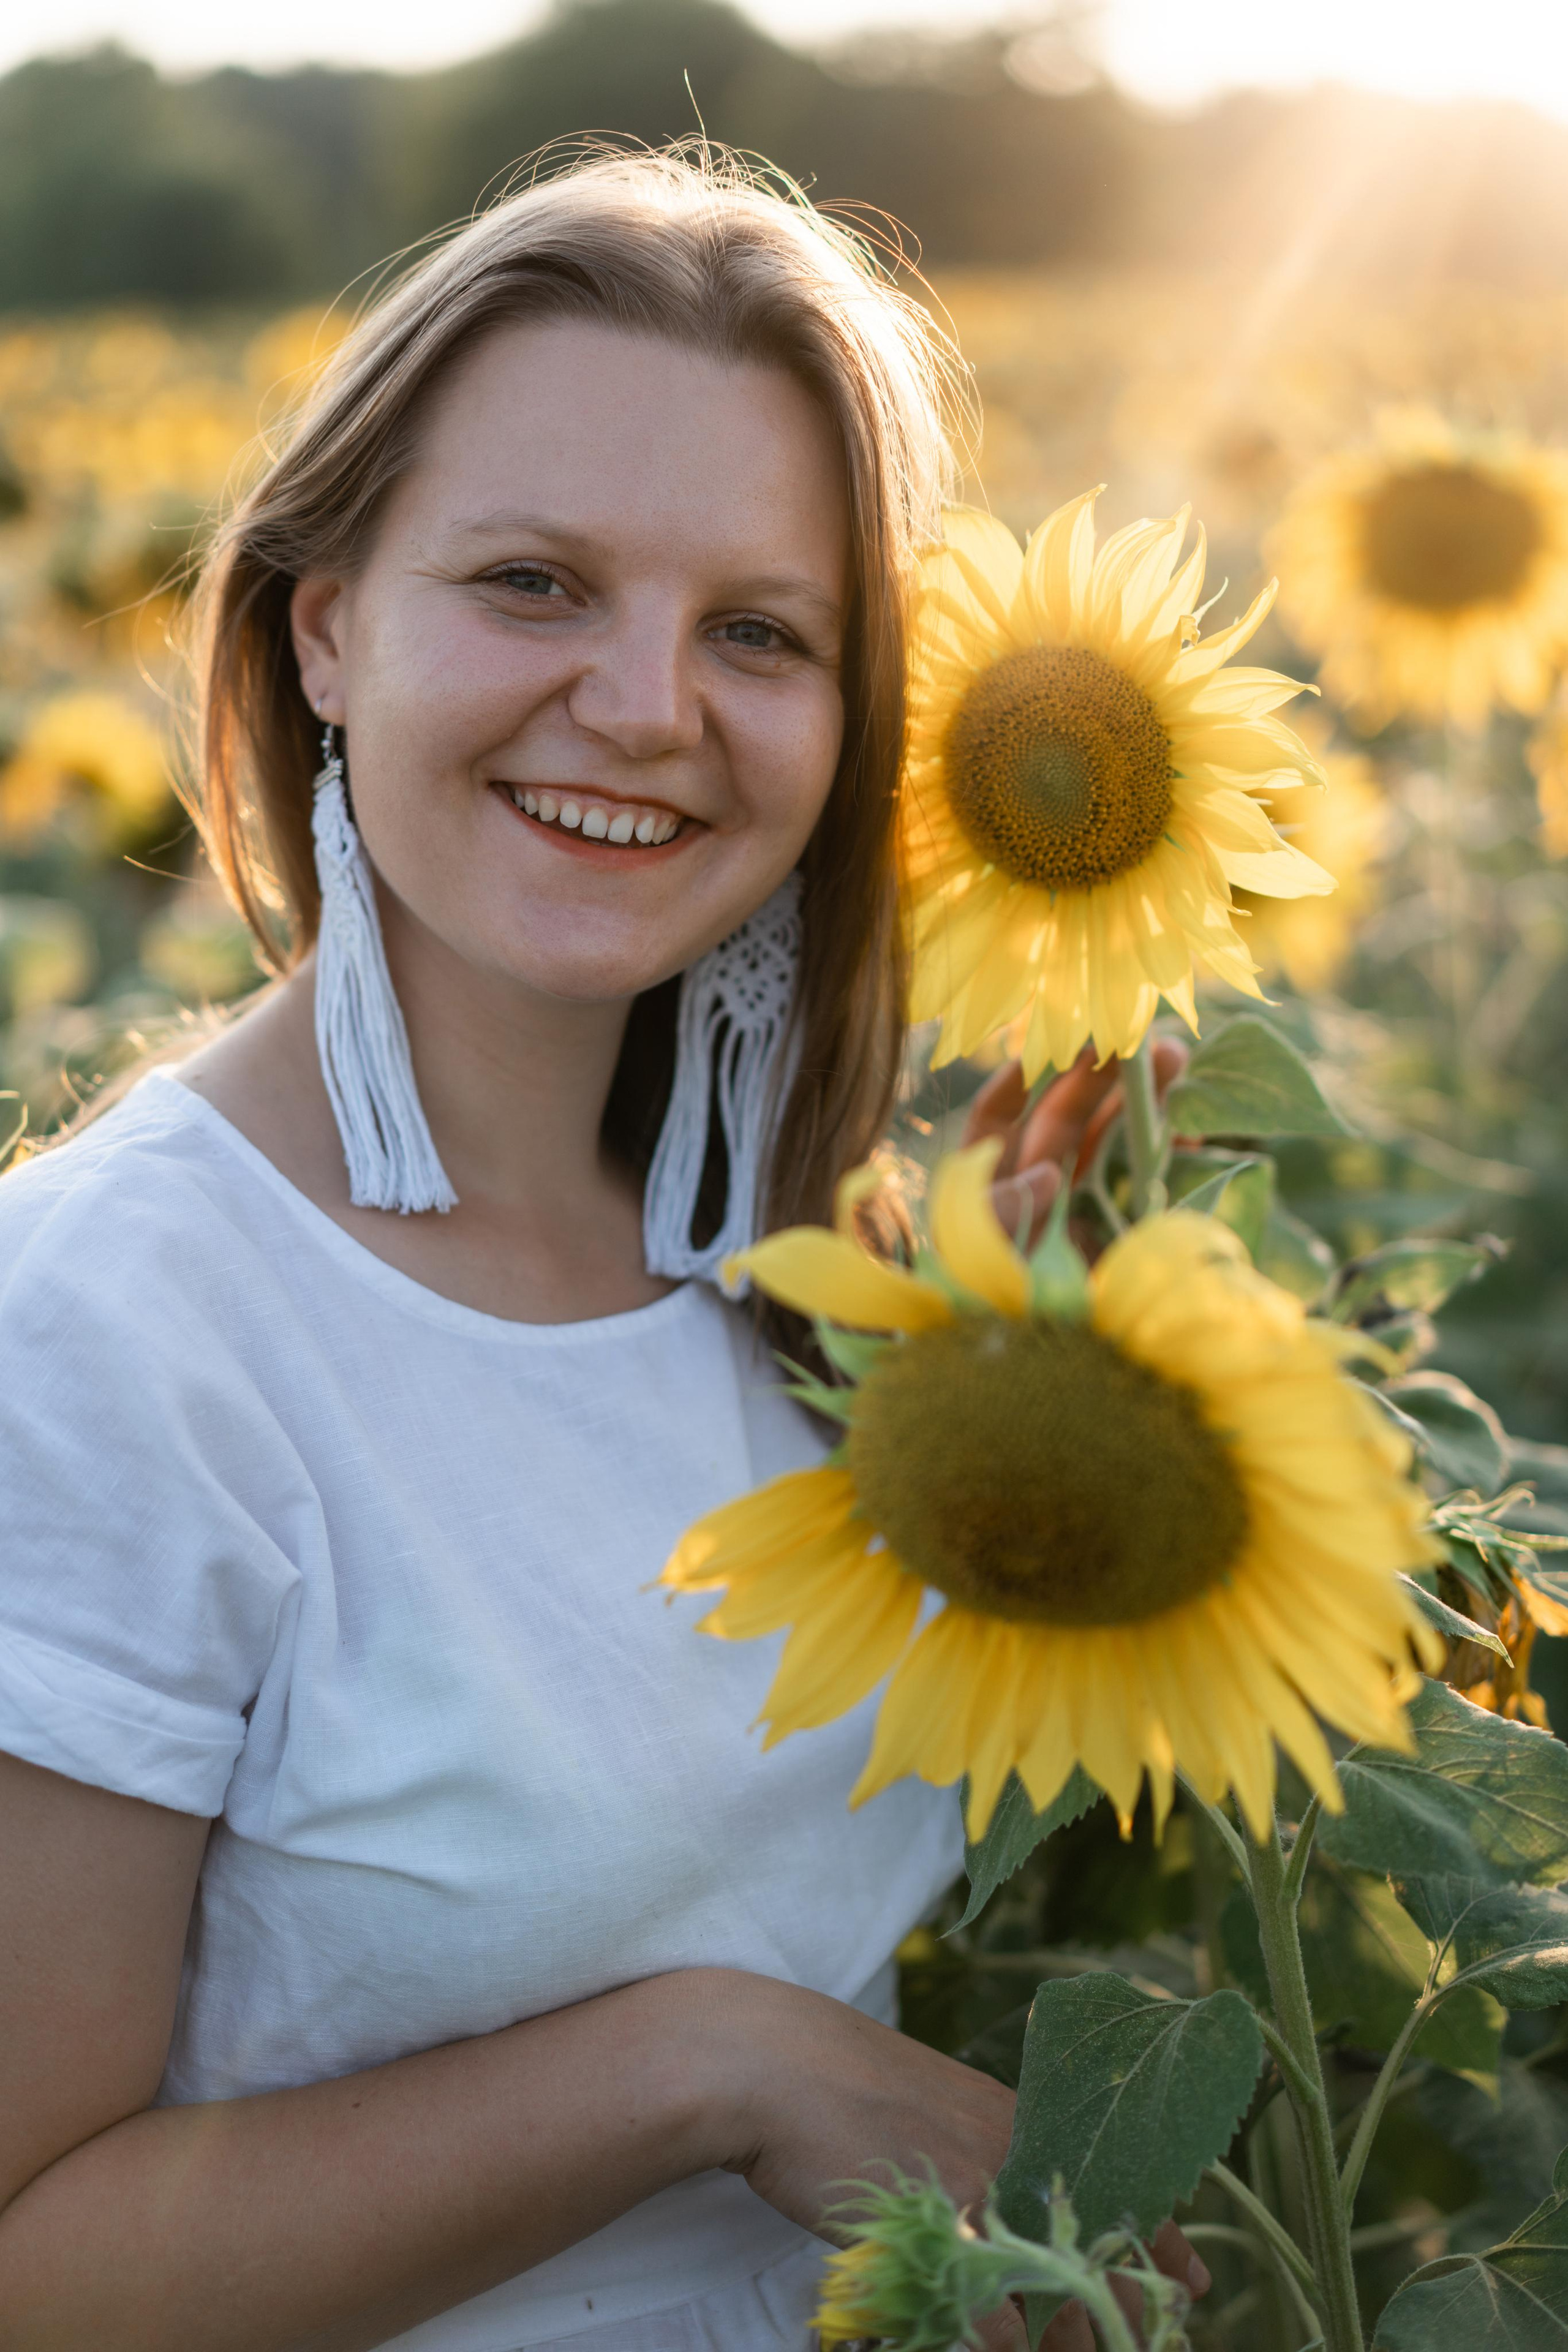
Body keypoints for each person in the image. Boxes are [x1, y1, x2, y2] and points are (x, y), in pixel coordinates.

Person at [0, 151, 1204, 2351]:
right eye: (537, 582)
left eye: (761, 630)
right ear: (327, 624)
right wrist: (711, 2070)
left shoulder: (802, 1275)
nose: (652, 706)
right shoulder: (110, 1336)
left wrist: (1064, 1382)